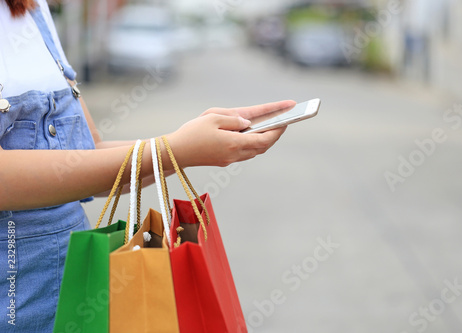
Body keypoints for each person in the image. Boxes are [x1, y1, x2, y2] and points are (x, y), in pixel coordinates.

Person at [0, 0, 294, 331]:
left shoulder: (33, 11)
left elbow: (89, 155)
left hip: (81, 299)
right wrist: (173, 149)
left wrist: (182, 143)